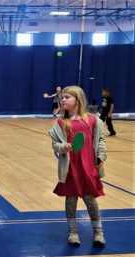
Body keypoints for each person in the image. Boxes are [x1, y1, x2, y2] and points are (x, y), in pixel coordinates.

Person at [48, 86, 107, 247]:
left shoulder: (93, 120)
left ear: (78, 99)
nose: (63, 99)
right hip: (70, 170)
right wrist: (63, 147)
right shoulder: (60, 122)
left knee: (91, 200)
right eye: (62, 97)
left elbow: (101, 140)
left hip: (88, 169)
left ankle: (98, 232)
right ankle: (73, 232)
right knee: (71, 201)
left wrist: (101, 155)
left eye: (67, 97)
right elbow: (55, 144)